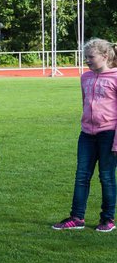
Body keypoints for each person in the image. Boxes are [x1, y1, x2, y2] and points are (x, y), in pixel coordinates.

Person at [52, 39, 117, 232]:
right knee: (81, 176)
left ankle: (107, 219)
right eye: (86, 57)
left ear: (104, 56)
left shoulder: (115, 78)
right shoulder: (85, 77)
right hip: (87, 135)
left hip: (109, 134)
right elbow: (84, 102)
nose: (87, 61)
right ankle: (76, 217)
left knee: (106, 177)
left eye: (91, 57)